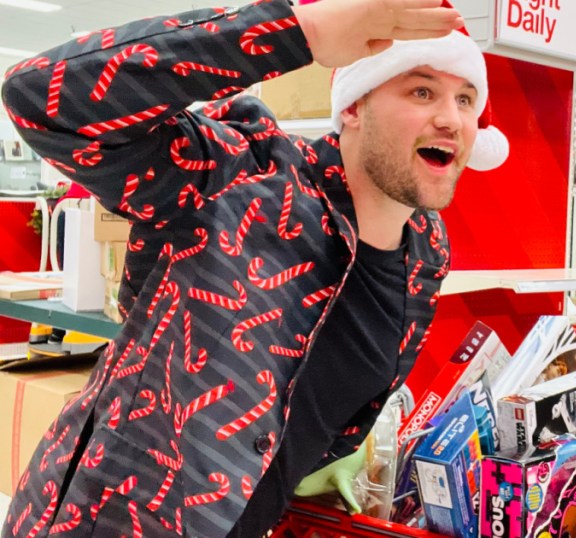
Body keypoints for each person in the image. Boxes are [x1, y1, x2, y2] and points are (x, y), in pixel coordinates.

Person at [0, 0, 508, 535]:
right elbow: (41, 98)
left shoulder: (426, 251)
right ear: (355, 106)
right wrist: (297, 31)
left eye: (466, 99)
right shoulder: (239, 174)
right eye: (421, 90)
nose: (451, 118)